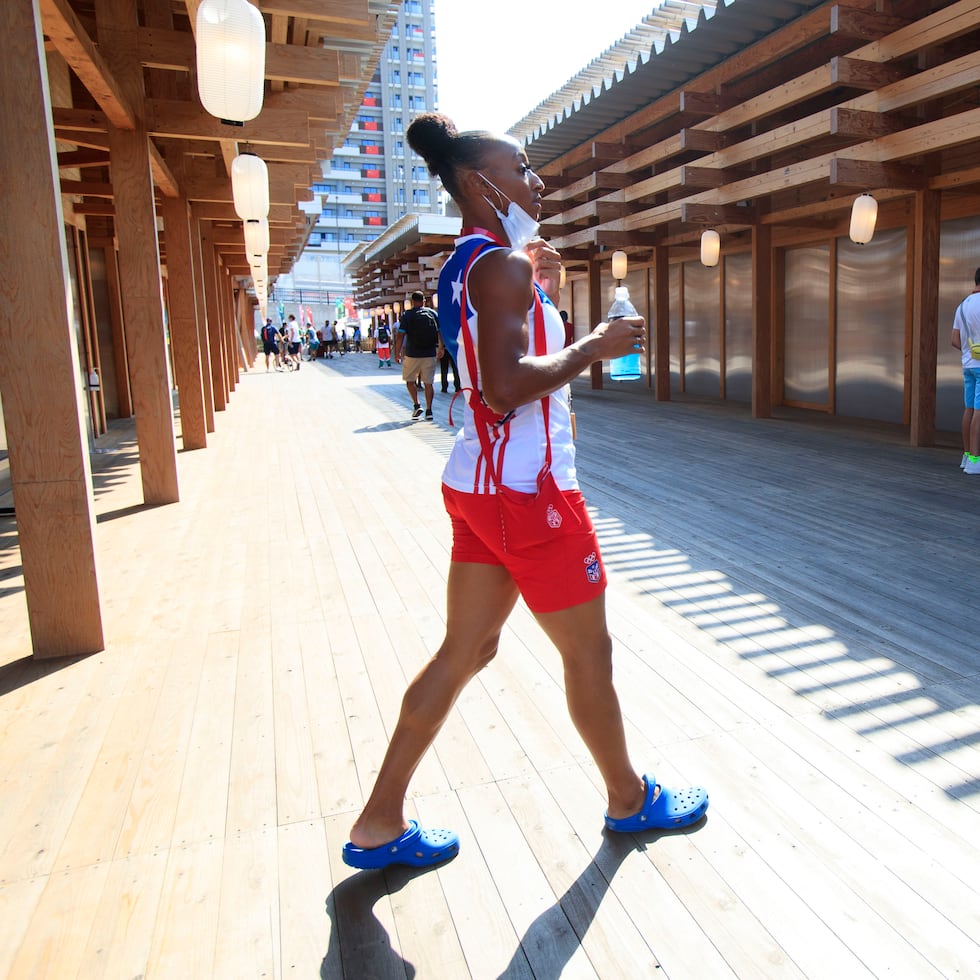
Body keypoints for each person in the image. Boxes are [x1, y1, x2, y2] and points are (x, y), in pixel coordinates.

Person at [342, 111, 708, 872]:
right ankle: (628, 798)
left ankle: (378, 821)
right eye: (522, 168)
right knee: (590, 654)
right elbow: (506, 386)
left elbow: (485, 353)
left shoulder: (465, 263)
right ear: (479, 183)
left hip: (478, 483)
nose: (536, 181)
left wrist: (528, 274)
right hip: (530, 492)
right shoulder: (498, 269)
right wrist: (595, 345)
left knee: (466, 648)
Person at [395, 290, 440, 420]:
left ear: (412, 302)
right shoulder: (432, 313)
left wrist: (397, 352)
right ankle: (429, 410)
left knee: (409, 381)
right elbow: (439, 332)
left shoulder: (407, 315)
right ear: (424, 301)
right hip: (430, 353)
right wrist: (441, 348)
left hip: (412, 354)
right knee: (428, 383)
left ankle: (416, 405)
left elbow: (400, 335)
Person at [952, 266, 980, 474]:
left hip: (968, 365)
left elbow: (954, 340)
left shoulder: (962, 305)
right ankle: (975, 460)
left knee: (969, 409)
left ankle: (967, 455)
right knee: (979, 411)